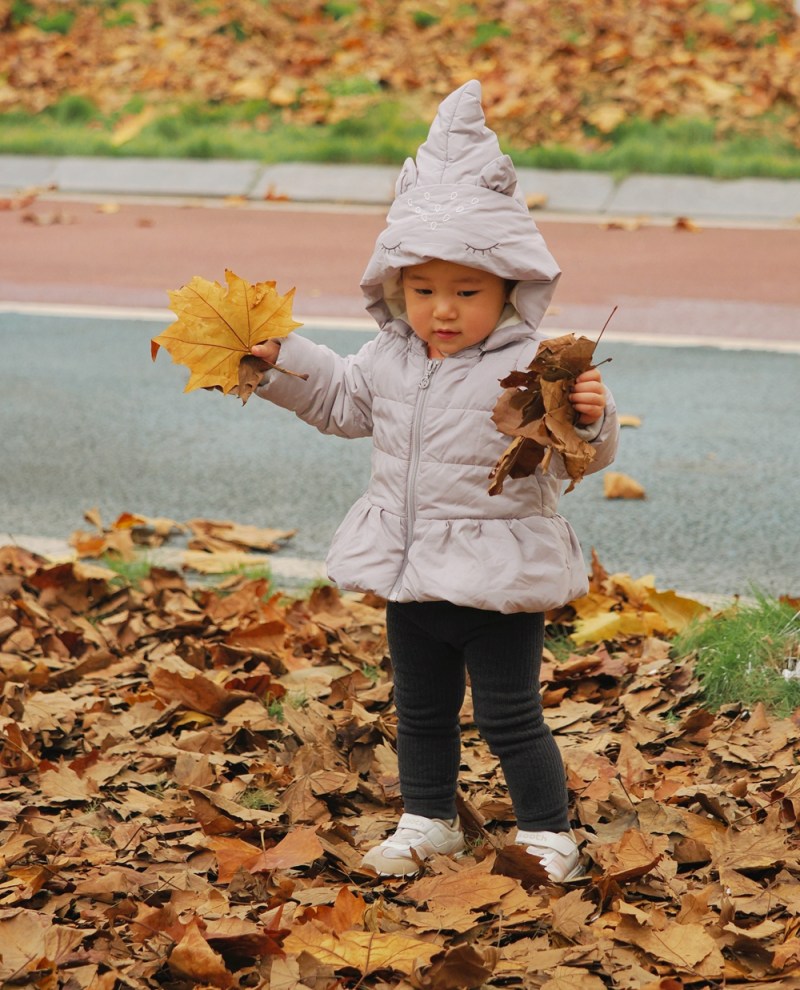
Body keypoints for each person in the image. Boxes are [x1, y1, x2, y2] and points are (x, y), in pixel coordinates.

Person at [250, 80, 619, 881]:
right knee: (420, 711)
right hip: (411, 569)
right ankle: (427, 820)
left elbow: (579, 451)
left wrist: (590, 416)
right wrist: (282, 363)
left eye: (465, 292)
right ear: (396, 287)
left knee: (510, 715)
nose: (441, 311)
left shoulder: (534, 365)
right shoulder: (391, 357)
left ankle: (547, 833)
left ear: (510, 289)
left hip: (496, 576)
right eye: (422, 291)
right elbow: (340, 400)